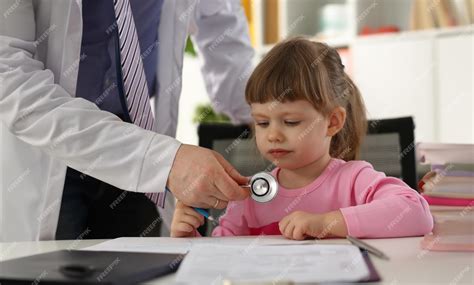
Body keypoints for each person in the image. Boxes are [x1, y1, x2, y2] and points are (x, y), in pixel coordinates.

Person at [0, 0, 253, 242]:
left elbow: (223, 28)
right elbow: (10, 80)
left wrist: (270, 115)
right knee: (52, 269)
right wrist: (164, 161)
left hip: (136, 138)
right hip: (46, 148)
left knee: (139, 268)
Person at [170, 37, 434, 240]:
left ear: (332, 122)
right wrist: (189, 238)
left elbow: (417, 213)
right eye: (262, 122)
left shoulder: (354, 180)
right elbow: (220, 260)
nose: (273, 135)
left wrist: (326, 223)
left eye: (291, 122)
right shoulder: (251, 196)